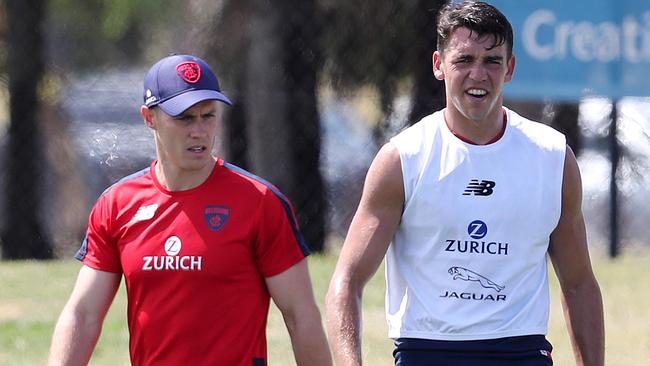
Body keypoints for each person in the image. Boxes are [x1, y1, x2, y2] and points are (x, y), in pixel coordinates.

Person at [325, 2, 604, 365]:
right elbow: (346, 283)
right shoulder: (404, 159)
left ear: (510, 69)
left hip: (520, 352)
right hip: (427, 351)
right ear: (439, 66)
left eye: (492, 61)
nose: (478, 74)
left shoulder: (551, 157)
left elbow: (580, 283)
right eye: (464, 60)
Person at [48, 54, 332, 366]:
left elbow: (300, 316)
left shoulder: (260, 201)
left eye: (208, 116)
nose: (199, 131)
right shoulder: (117, 204)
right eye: (184, 118)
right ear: (149, 117)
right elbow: (84, 314)